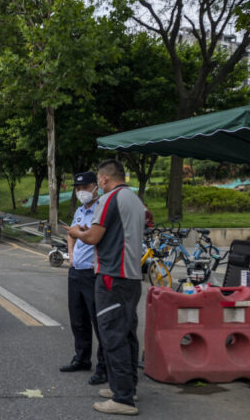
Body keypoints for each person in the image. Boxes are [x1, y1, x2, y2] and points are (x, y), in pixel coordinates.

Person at [67, 159, 144, 416]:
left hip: (112, 275)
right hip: (132, 276)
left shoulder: (110, 199)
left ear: (103, 180)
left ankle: (123, 398)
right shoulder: (134, 199)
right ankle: (126, 387)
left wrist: (78, 233)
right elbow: (115, 233)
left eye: (98, 179)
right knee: (128, 334)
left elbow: (93, 237)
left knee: (112, 335)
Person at [60, 171, 107, 386]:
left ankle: (104, 367)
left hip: (92, 273)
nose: (81, 192)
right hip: (76, 271)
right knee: (78, 319)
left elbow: (96, 237)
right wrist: (71, 256)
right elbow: (72, 233)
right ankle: (81, 358)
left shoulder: (101, 210)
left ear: (95, 187)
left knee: (99, 321)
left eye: (85, 188)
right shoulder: (80, 210)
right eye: (78, 189)